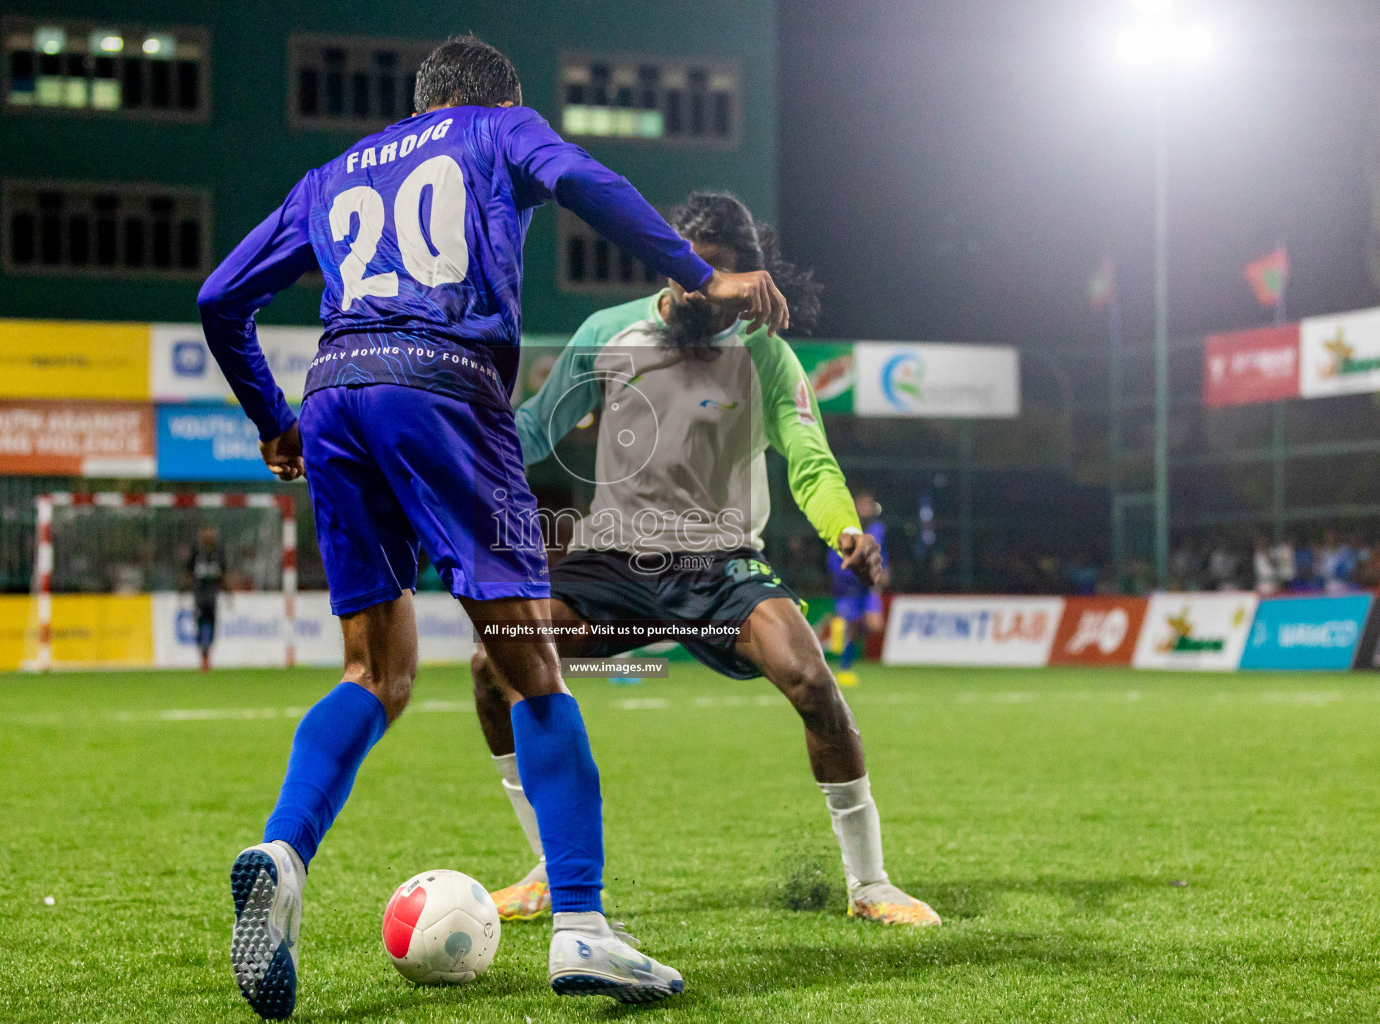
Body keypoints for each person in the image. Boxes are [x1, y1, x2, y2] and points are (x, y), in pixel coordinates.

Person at [196, 37, 788, 1017]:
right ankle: (586, 927)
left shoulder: (333, 173)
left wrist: (276, 423)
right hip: (444, 390)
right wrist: (700, 273)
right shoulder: (498, 131)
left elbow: (222, 298)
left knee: (374, 673)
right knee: (528, 659)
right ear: (494, 98)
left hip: (338, 394)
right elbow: (587, 179)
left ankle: (283, 851)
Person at [473, 193, 939, 930]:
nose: (701, 289)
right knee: (494, 662)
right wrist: (451, 451)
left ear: (753, 278)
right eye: (690, 272)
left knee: (813, 680)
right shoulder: (607, 333)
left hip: (719, 564)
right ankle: (546, 869)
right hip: (612, 562)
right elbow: (533, 431)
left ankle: (870, 884)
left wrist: (842, 526)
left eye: (721, 276)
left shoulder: (764, 352)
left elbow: (808, 458)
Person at [816, 491, 889, 687]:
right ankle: (845, 668)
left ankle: (837, 621)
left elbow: (882, 552)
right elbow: (833, 561)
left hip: (868, 587)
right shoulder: (845, 529)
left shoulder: (877, 528)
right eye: (862, 504)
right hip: (847, 587)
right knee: (850, 626)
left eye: (868, 504)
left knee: (875, 624)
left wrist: (884, 569)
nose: (865, 508)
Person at [184, 525, 225, 672]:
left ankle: (207, 653)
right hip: (199, 595)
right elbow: (188, 572)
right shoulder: (196, 551)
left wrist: (228, 592)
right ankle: (203, 655)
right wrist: (183, 590)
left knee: (212, 624)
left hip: (213, 595)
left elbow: (223, 573)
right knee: (200, 625)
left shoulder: (219, 552)